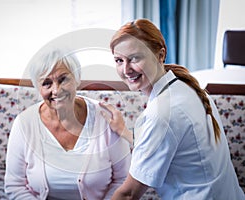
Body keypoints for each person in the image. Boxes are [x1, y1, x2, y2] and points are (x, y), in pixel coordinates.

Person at [100, 19, 245, 199]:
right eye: (119, 60)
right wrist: (123, 131)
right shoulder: (188, 87)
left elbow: (128, 194)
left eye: (135, 58)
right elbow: (166, 145)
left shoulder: (162, 114)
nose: (126, 69)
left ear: (160, 55)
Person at [4, 47, 131, 199]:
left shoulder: (105, 118)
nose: (56, 90)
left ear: (77, 79)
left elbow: (123, 180)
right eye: (46, 83)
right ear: (38, 88)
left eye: (63, 79)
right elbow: (14, 185)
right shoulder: (24, 123)